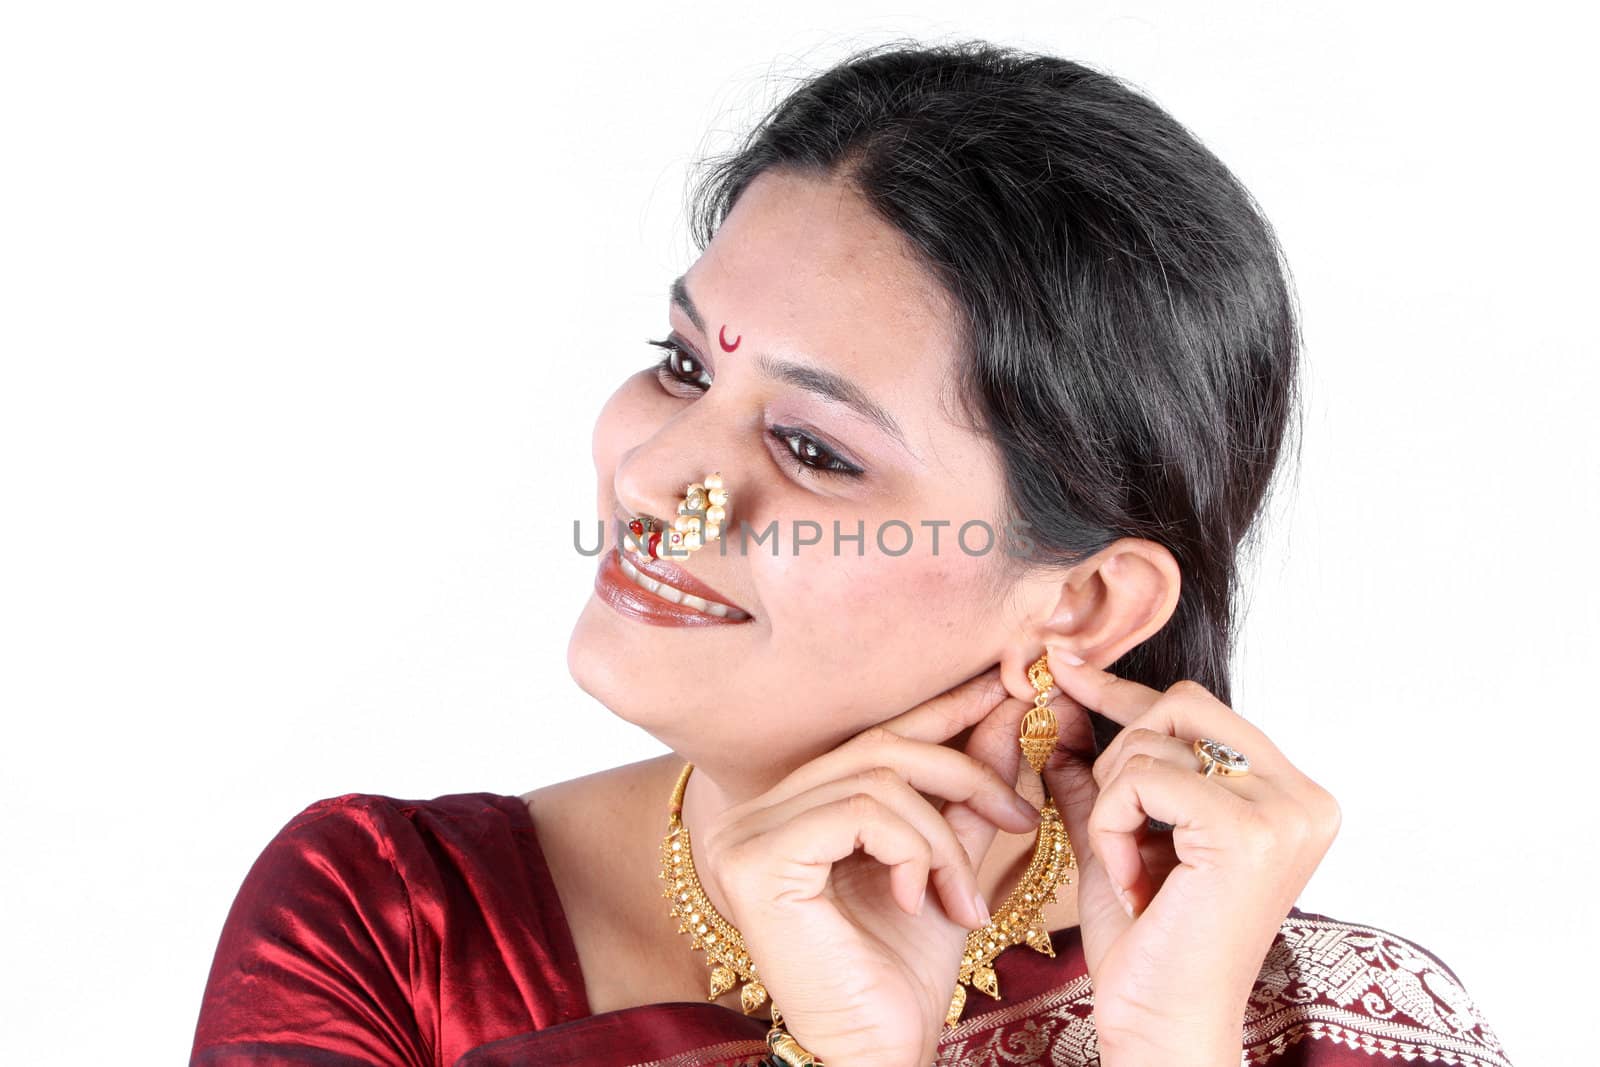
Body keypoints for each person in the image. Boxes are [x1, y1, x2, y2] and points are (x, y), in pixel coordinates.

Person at [189, 39, 1512, 1067]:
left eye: (816, 451)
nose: (655, 480)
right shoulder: (397, 931)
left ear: (1089, 602)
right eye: (679, 366)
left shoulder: (1315, 1023)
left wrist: (1168, 1045)